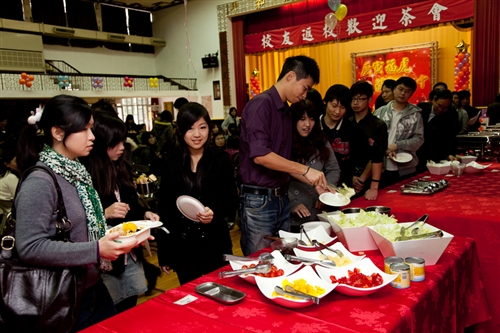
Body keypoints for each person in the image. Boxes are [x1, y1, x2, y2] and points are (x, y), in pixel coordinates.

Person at [13, 94, 139, 331]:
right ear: (58, 133)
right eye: (85, 130)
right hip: (58, 293)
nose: (92, 137)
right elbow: (30, 246)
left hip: (90, 287)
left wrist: (125, 238)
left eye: (91, 129)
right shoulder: (40, 180)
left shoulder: (77, 173)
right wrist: (96, 249)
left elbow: (82, 231)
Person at [238, 55, 327, 256]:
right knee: (261, 261)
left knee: (283, 259)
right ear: (290, 76)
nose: (305, 95)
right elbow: (261, 156)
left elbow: (283, 163)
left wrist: (314, 180)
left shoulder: (285, 112)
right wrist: (304, 170)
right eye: (305, 87)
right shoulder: (261, 105)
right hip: (258, 200)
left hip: (280, 197)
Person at [81, 113, 160, 313]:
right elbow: (79, 218)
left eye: (122, 141)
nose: (122, 148)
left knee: (130, 308)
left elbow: (132, 202)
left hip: (130, 254)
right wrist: (104, 212)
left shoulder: (121, 167)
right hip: (105, 258)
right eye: (115, 143)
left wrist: (145, 214)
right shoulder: (86, 174)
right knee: (108, 312)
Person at [156, 102, 238, 285]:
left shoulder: (220, 159)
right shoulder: (172, 162)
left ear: (210, 128)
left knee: (220, 293)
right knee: (190, 299)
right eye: (190, 128)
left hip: (215, 243)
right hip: (183, 246)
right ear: (180, 130)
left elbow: (231, 200)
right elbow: (165, 208)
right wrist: (165, 253)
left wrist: (214, 211)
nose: (197, 134)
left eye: (202, 127)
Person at [288, 98, 340, 231]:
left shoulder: (321, 140)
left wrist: (325, 195)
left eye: (311, 119)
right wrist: (292, 203)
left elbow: (333, 169)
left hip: (320, 214)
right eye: (302, 119)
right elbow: (278, 178)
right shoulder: (285, 143)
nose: (307, 124)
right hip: (292, 217)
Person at [320, 84, 379, 196]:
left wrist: (373, 186)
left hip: (343, 190)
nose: (337, 111)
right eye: (334, 106)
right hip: (314, 186)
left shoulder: (353, 129)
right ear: (325, 102)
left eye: (343, 107)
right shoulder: (313, 126)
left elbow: (376, 154)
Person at [374, 77, 424, 187]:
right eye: (400, 89)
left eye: (407, 91)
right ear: (394, 89)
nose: (402, 93)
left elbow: (419, 139)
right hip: (381, 166)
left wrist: (397, 145)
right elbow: (372, 138)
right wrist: (386, 149)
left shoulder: (415, 114)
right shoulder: (379, 112)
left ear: (411, 94)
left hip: (407, 166)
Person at [349, 80, 387, 200]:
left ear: (369, 100)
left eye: (360, 99)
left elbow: (377, 156)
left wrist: (361, 180)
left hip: (370, 180)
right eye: (353, 99)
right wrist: (351, 176)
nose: (356, 103)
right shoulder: (347, 123)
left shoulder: (378, 125)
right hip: (348, 179)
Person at [417, 89, 458, 171]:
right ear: (433, 100)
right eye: (439, 105)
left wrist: (450, 153)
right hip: (418, 151)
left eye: (445, 108)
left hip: (436, 153)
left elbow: (450, 136)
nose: (441, 109)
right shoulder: (421, 108)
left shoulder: (450, 116)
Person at [0, 142, 18, 216]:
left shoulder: (3, 175)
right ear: (7, 164)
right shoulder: (10, 178)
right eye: (16, 161)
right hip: (13, 213)